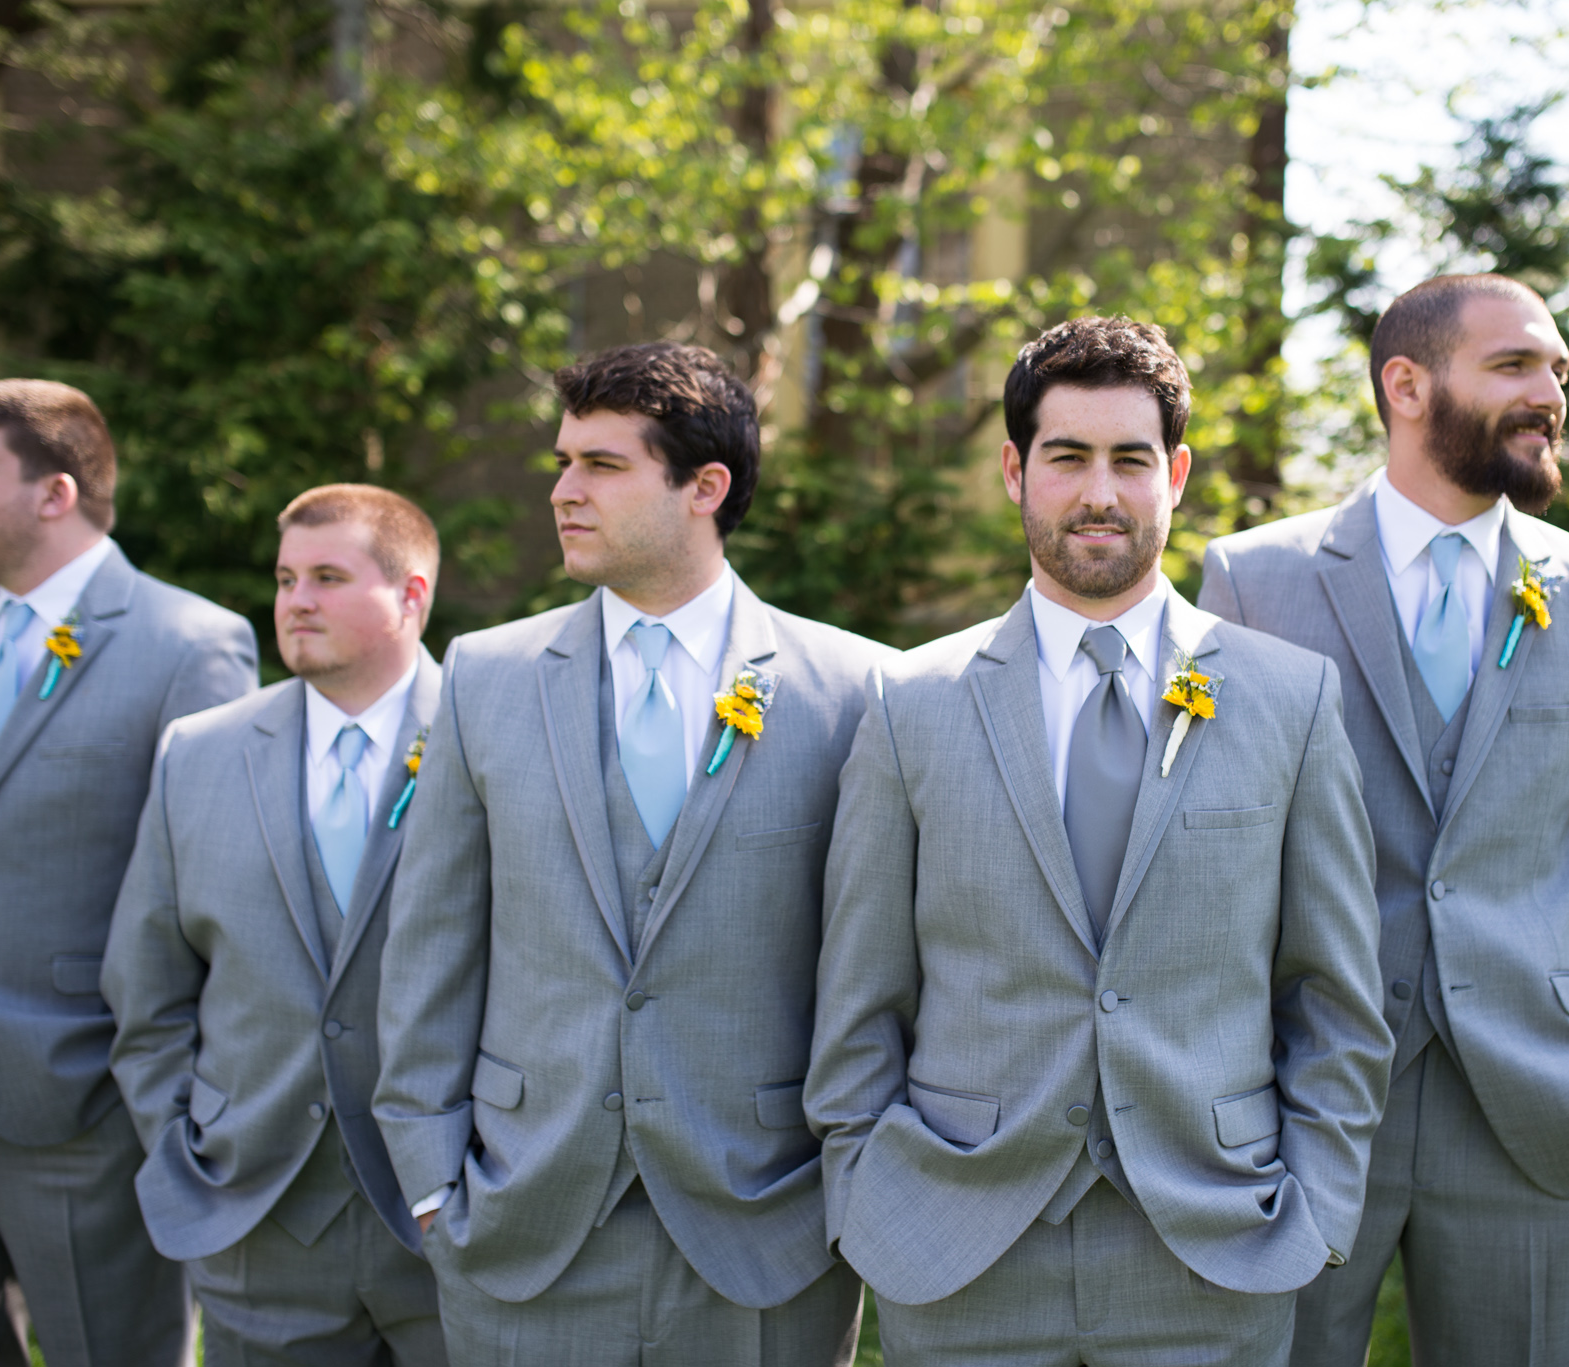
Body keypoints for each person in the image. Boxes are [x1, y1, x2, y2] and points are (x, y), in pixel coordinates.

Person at [806, 315, 1391, 1365]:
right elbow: (859, 997)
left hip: (1213, 1245)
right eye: (1066, 457)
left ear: (1172, 471)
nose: (1098, 493)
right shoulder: (912, 702)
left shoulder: (1287, 698)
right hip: (960, 1246)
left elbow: (1335, 994)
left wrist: (1315, 1205)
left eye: (1129, 459)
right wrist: (868, 1194)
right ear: (1012, 469)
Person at [372, 342, 889, 1366]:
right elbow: (429, 948)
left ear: (706, 487)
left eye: (602, 466)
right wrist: (434, 1182)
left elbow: (876, 968)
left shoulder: (855, 688)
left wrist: (850, 1192)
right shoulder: (486, 676)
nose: (564, 491)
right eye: (562, 462)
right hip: (522, 1225)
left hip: (767, 1233)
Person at [1200, 275, 1569, 1367]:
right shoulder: (1255, 578)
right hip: (1303, 1095)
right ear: (1404, 385)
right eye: (1514, 365)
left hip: (1539, 1101)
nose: (1550, 392)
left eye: (1556, 369)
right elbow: (1218, 854)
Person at [0, 379, 258, 1364]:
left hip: (86, 1094)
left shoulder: (192, 644)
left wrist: (178, 1094)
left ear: (54, 493)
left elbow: (214, 894)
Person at [104, 485, 448, 1365]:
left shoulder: (489, 742)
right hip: (256, 1218)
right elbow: (148, 990)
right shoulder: (199, 751)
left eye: (328, 577)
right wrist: (189, 1147)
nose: (295, 600)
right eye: (287, 577)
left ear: (412, 595)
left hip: (452, 1224)